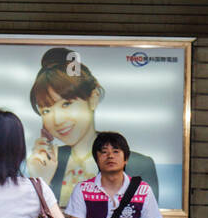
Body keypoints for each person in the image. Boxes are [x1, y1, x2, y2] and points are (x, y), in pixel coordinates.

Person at [26, 46, 159, 208]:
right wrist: (42, 181)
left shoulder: (138, 165)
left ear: (93, 97)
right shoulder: (46, 164)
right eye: (46, 110)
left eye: (66, 104)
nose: (57, 119)